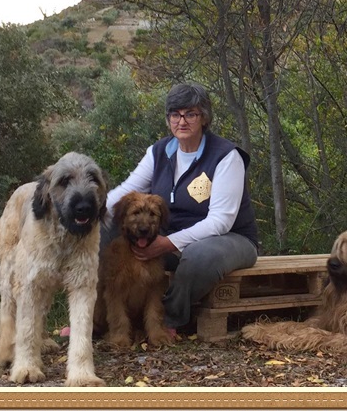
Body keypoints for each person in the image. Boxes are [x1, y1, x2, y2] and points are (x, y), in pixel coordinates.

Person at [101, 82, 259, 336]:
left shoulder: (227, 156)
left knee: (198, 256)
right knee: (104, 228)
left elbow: (221, 221)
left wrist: (168, 243)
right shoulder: (159, 152)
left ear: (204, 118)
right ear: (168, 119)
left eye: (191, 114)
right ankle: (95, 318)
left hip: (229, 239)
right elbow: (125, 191)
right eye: (175, 114)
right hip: (169, 237)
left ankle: (168, 319)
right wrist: (93, 214)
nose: (182, 121)